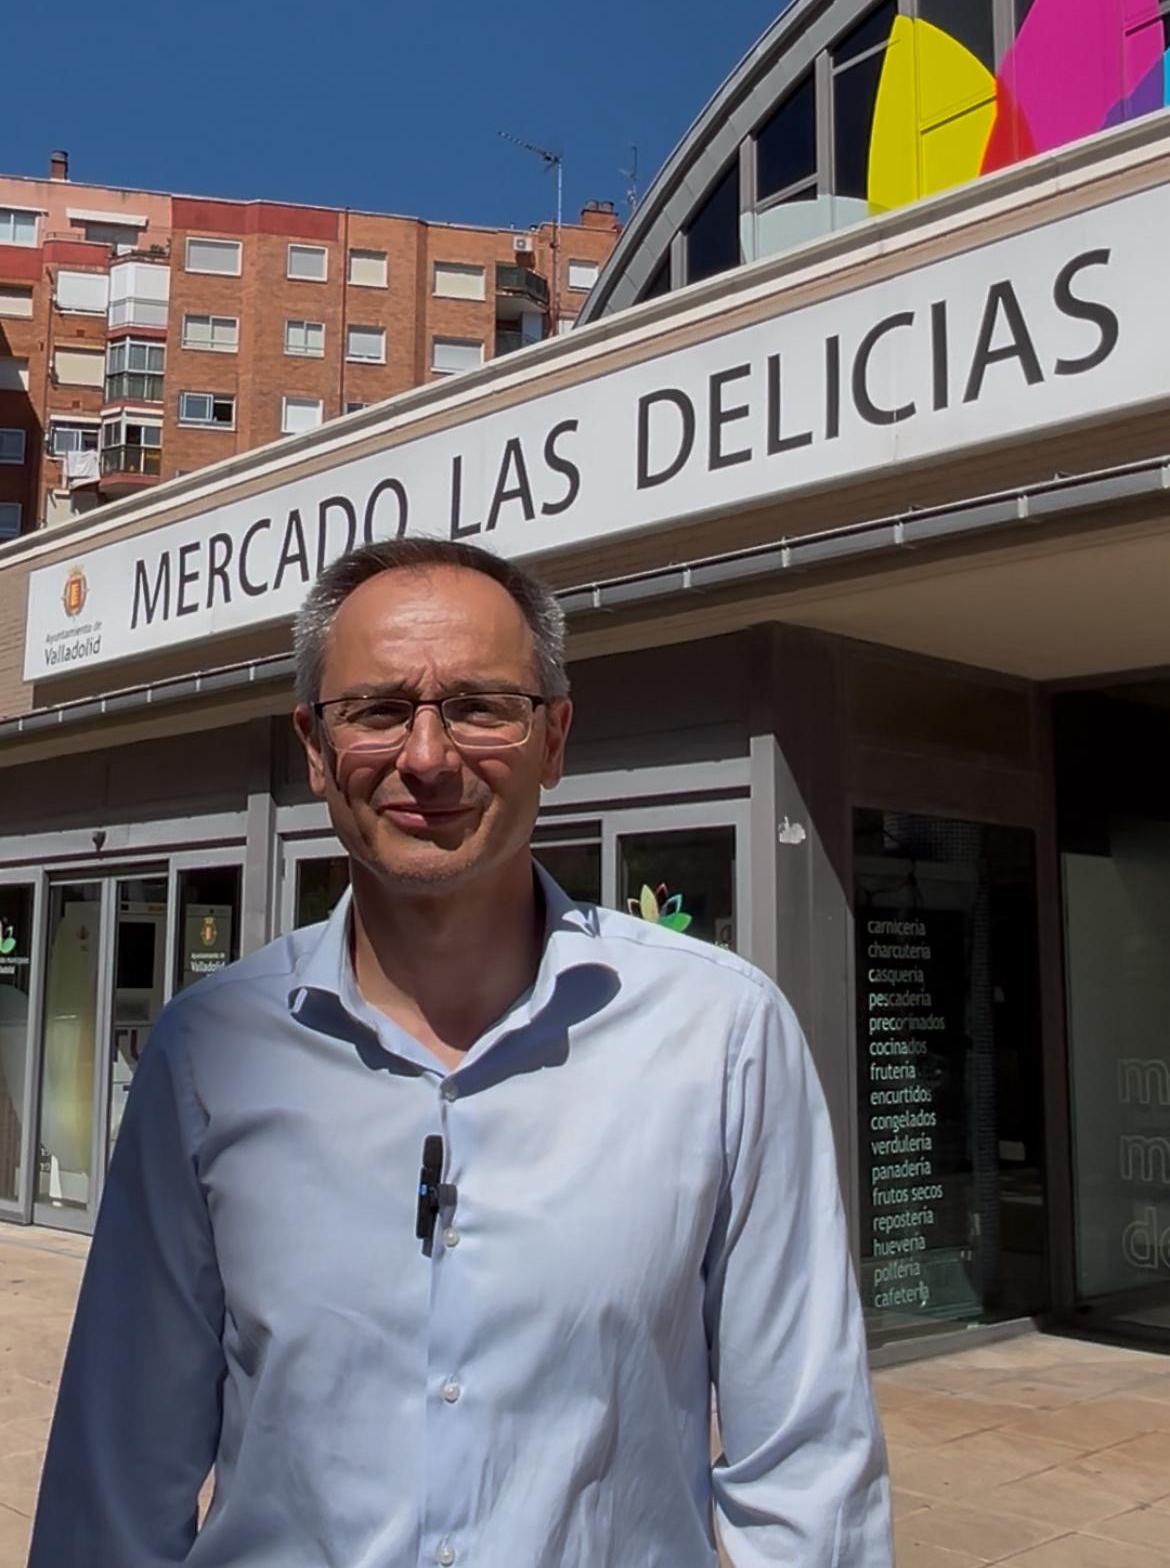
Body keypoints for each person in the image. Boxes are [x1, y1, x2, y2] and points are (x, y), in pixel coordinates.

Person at [29, 537, 891, 1567]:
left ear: (553, 739)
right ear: (315, 748)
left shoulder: (721, 1037)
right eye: (378, 710)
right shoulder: (205, 1055)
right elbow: (116, 1487)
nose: (429, 757)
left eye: (480, 707)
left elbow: (805, 1477)